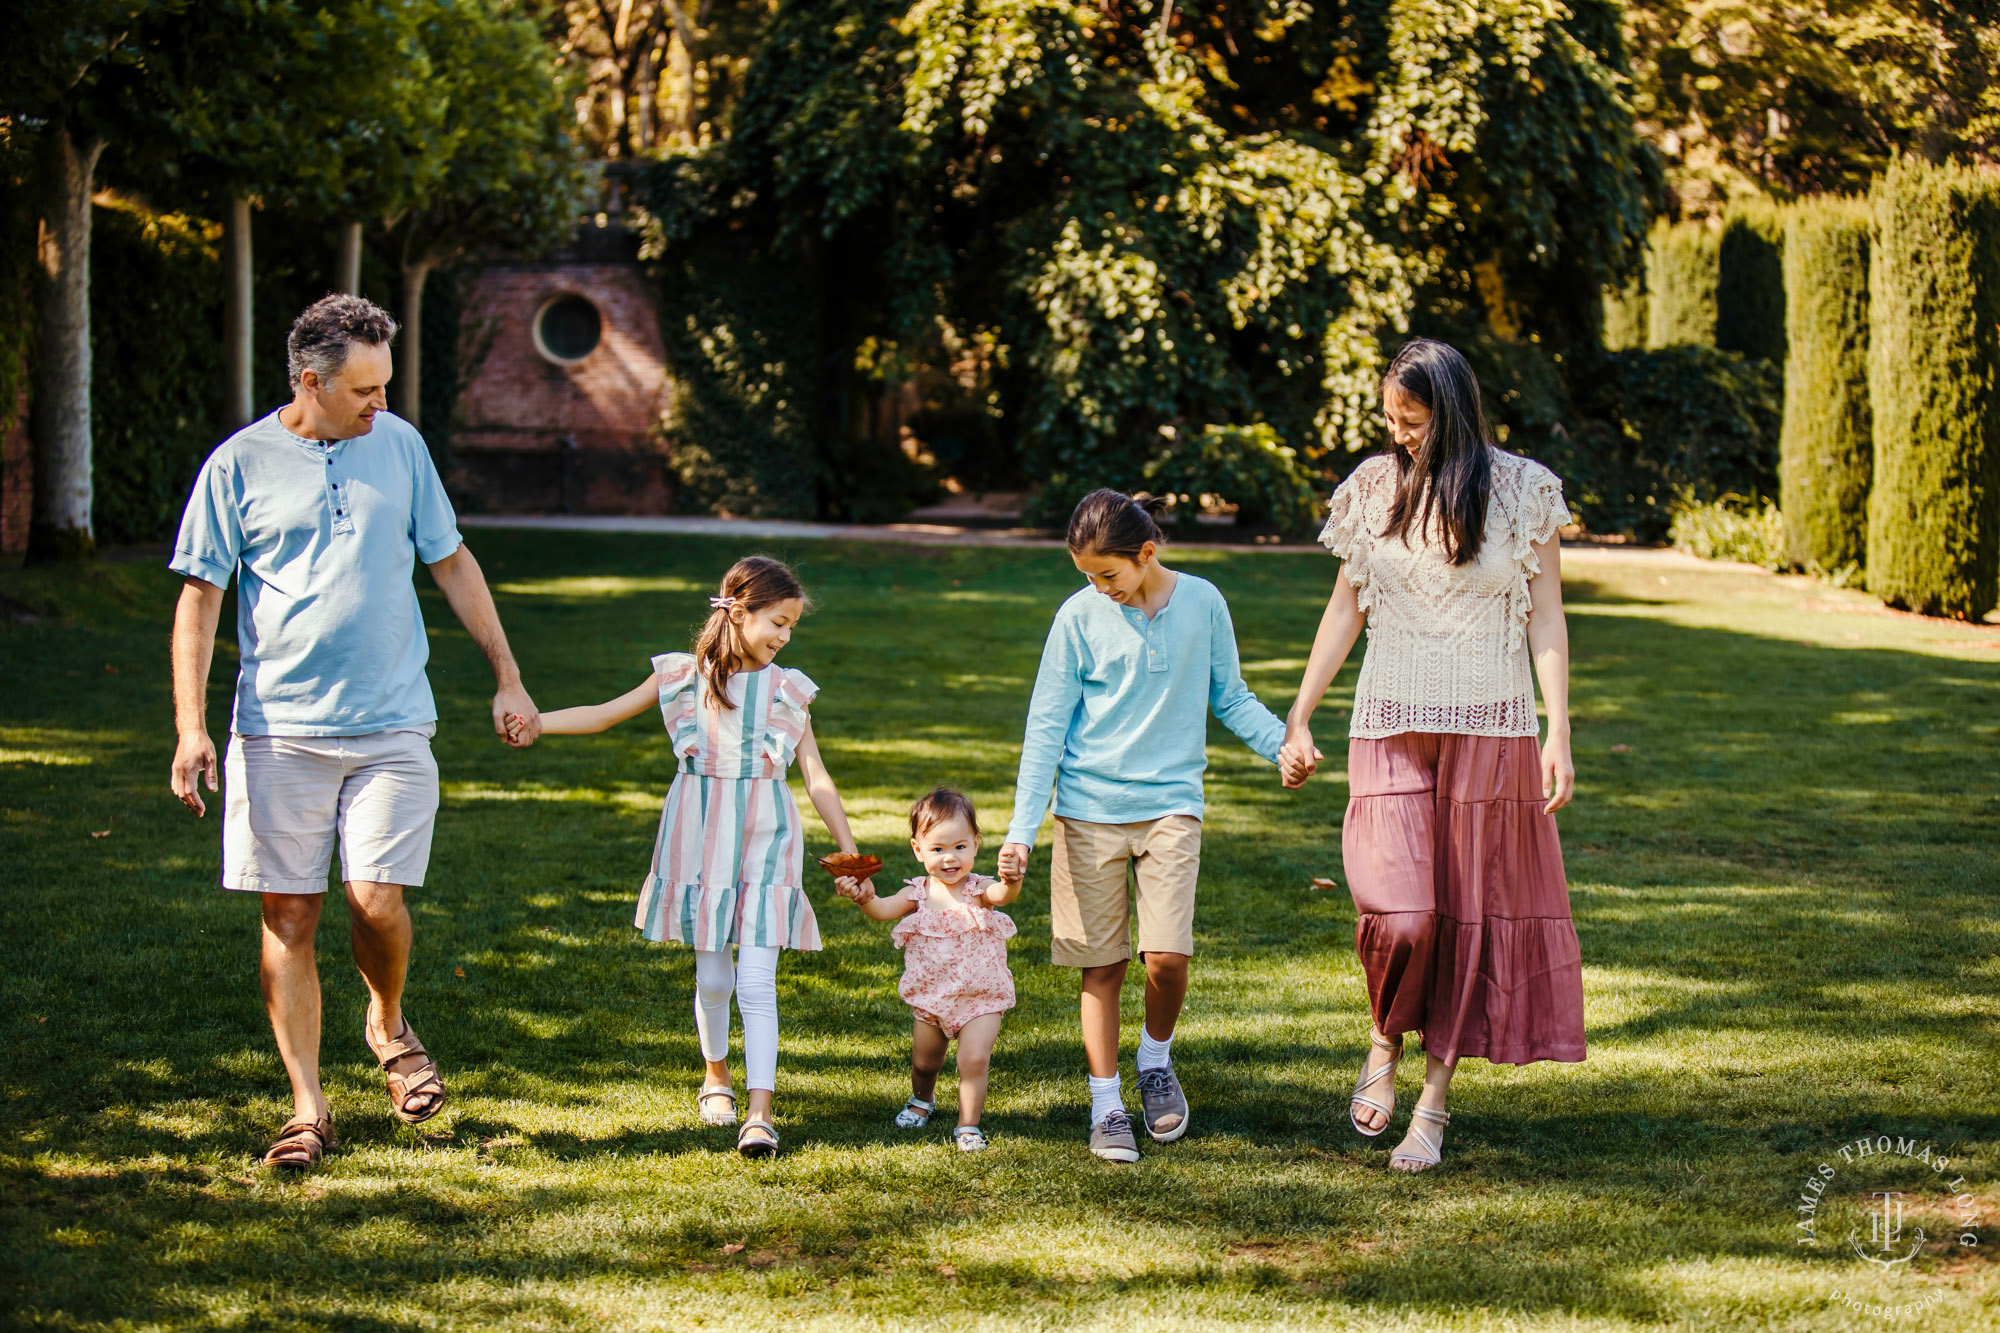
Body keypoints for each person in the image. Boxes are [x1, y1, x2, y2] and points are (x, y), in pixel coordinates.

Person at [168, 294, 540, 1171]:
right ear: (311, 381)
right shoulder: (238, 466)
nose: (381, 403)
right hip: (278, 730)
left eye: (385, 384)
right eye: (365, 389)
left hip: (393, 722)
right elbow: (199, 601)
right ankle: (307, 1107)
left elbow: (450, 558)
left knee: (377, 902)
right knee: (289, 914)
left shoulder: (400, 446)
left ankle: (386, 1019)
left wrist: (507, 673)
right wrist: (191, 726)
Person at [1280, 337, 1586, 1173]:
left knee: (1468, 917)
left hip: (1492, 726)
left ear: (1448, 413)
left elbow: (1546, 617)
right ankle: (1384, 1035)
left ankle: (1434, 1104)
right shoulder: (1373, 488)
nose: (1398, 434)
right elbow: (1346, 609)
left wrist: (1559, 727)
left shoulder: (1526, 490)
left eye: (1410, 421)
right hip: (1386, 720)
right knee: (1402, 912)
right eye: (1389, 419)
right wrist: (1300, 714)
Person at [506, 556, 868, 1158]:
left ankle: (760, 1114)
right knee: (713, 976)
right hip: (697, 843)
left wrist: (847, 843)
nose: (783, 636)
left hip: (766, 845)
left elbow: (816, 774)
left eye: (791, 627)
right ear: (738, 609)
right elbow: (603, 715)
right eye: (776, 621)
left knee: (757, 983)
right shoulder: (680, 676)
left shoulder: (787, 689)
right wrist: (539, 723)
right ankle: (715, 1078)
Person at [997, 490, 1288, 1163]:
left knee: (1167, 956)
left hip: (1170, 804)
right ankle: (1106, 1105)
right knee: (1101, 966)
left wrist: (1281, 746)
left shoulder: (1204, 603)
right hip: (1086, 809)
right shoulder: (1078, 618)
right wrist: (1022, 828)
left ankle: (1155, 1060)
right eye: (1088, 577)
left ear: (1147, 552)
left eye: (1109, 574)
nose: (1100, 588)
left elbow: (1231, 694)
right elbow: (1046, 725)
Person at [839, 788, 1022, 1152]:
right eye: (937, 849)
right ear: (917, 850)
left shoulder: (978, 888)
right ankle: (922, 1099)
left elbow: (1002, 896)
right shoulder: (917, 893)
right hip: (931, 998)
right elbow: (881, 909)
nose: (950, 858)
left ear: (975, 844)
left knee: (973, 1060)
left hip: (980, 996)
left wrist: (1010, 880)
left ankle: (968, 1126)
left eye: (959, 847)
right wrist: (863, 897)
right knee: (925, 1062)